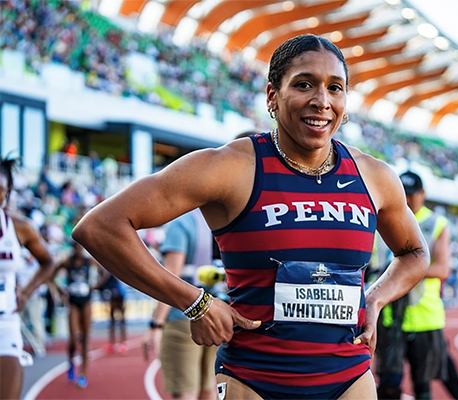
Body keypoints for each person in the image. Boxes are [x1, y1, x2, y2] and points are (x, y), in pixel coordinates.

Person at [73, 34, 429, 400]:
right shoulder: (230, 167)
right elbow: (100, 226)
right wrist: (194, 302)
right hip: (254, 380)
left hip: (348, 379)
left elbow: (416, 253)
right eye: (304, 84)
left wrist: (375, 298)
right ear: (272, 96)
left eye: (335, 88)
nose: (322, 101)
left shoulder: (375, 176)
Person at [376, 171, 458, 400]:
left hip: (424, 318)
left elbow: (442, 269)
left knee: (424, 385)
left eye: (412, 195)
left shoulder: (436, 223)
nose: (407, 200)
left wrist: (404, 269)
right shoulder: (382, 216)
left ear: (423, 194)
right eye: (403, 194)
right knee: (388, 385)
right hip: (388, 316)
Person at [143, 209, 218, 400]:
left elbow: (169, 279)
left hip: (182, 318)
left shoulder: (182, 224)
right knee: (208, 388)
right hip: (216, 314)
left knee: (185, 392)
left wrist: (156, 324)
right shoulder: (217, 218)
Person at [0, 157, 55, 400]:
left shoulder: (19, 227)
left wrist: (26, 291)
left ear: (8, 191)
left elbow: (49, 262)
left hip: (6, 324)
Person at [53, 241, 97, 389]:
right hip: (72, 301)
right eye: (76, 247)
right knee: (73, 339)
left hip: (86, 302)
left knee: (85, 337)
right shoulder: (67, 261)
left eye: (81, 247)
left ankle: (83, 373)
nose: (79, 250)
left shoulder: (88, 261)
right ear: (72, 248)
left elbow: (105, 272)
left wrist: (94, 287)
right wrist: (60, 290)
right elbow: (51, 273)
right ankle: (71, 362)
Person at [96, 268, 127, 354]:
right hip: (116, 293)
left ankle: (121, 343)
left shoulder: (110, 269)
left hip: (118, 294)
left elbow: (104, 279)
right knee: (114, 321)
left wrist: (95, 287)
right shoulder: (109, 268)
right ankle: (115, 343)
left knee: (119, 320)